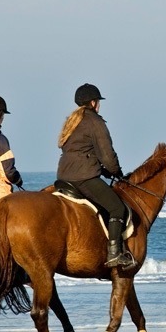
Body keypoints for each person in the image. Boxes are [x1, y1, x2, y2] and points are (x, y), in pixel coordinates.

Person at [57, 83, 136, 269]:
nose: (99, 105)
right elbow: (107, 154)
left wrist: (104, 170)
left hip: (64, 175)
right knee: (117, 208)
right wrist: (116, 171)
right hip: (84, 177)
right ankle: (114, 253)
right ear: (93, 103)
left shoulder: (72, 121)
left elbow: (81, 151)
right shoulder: (95, 121)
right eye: (98, 102)